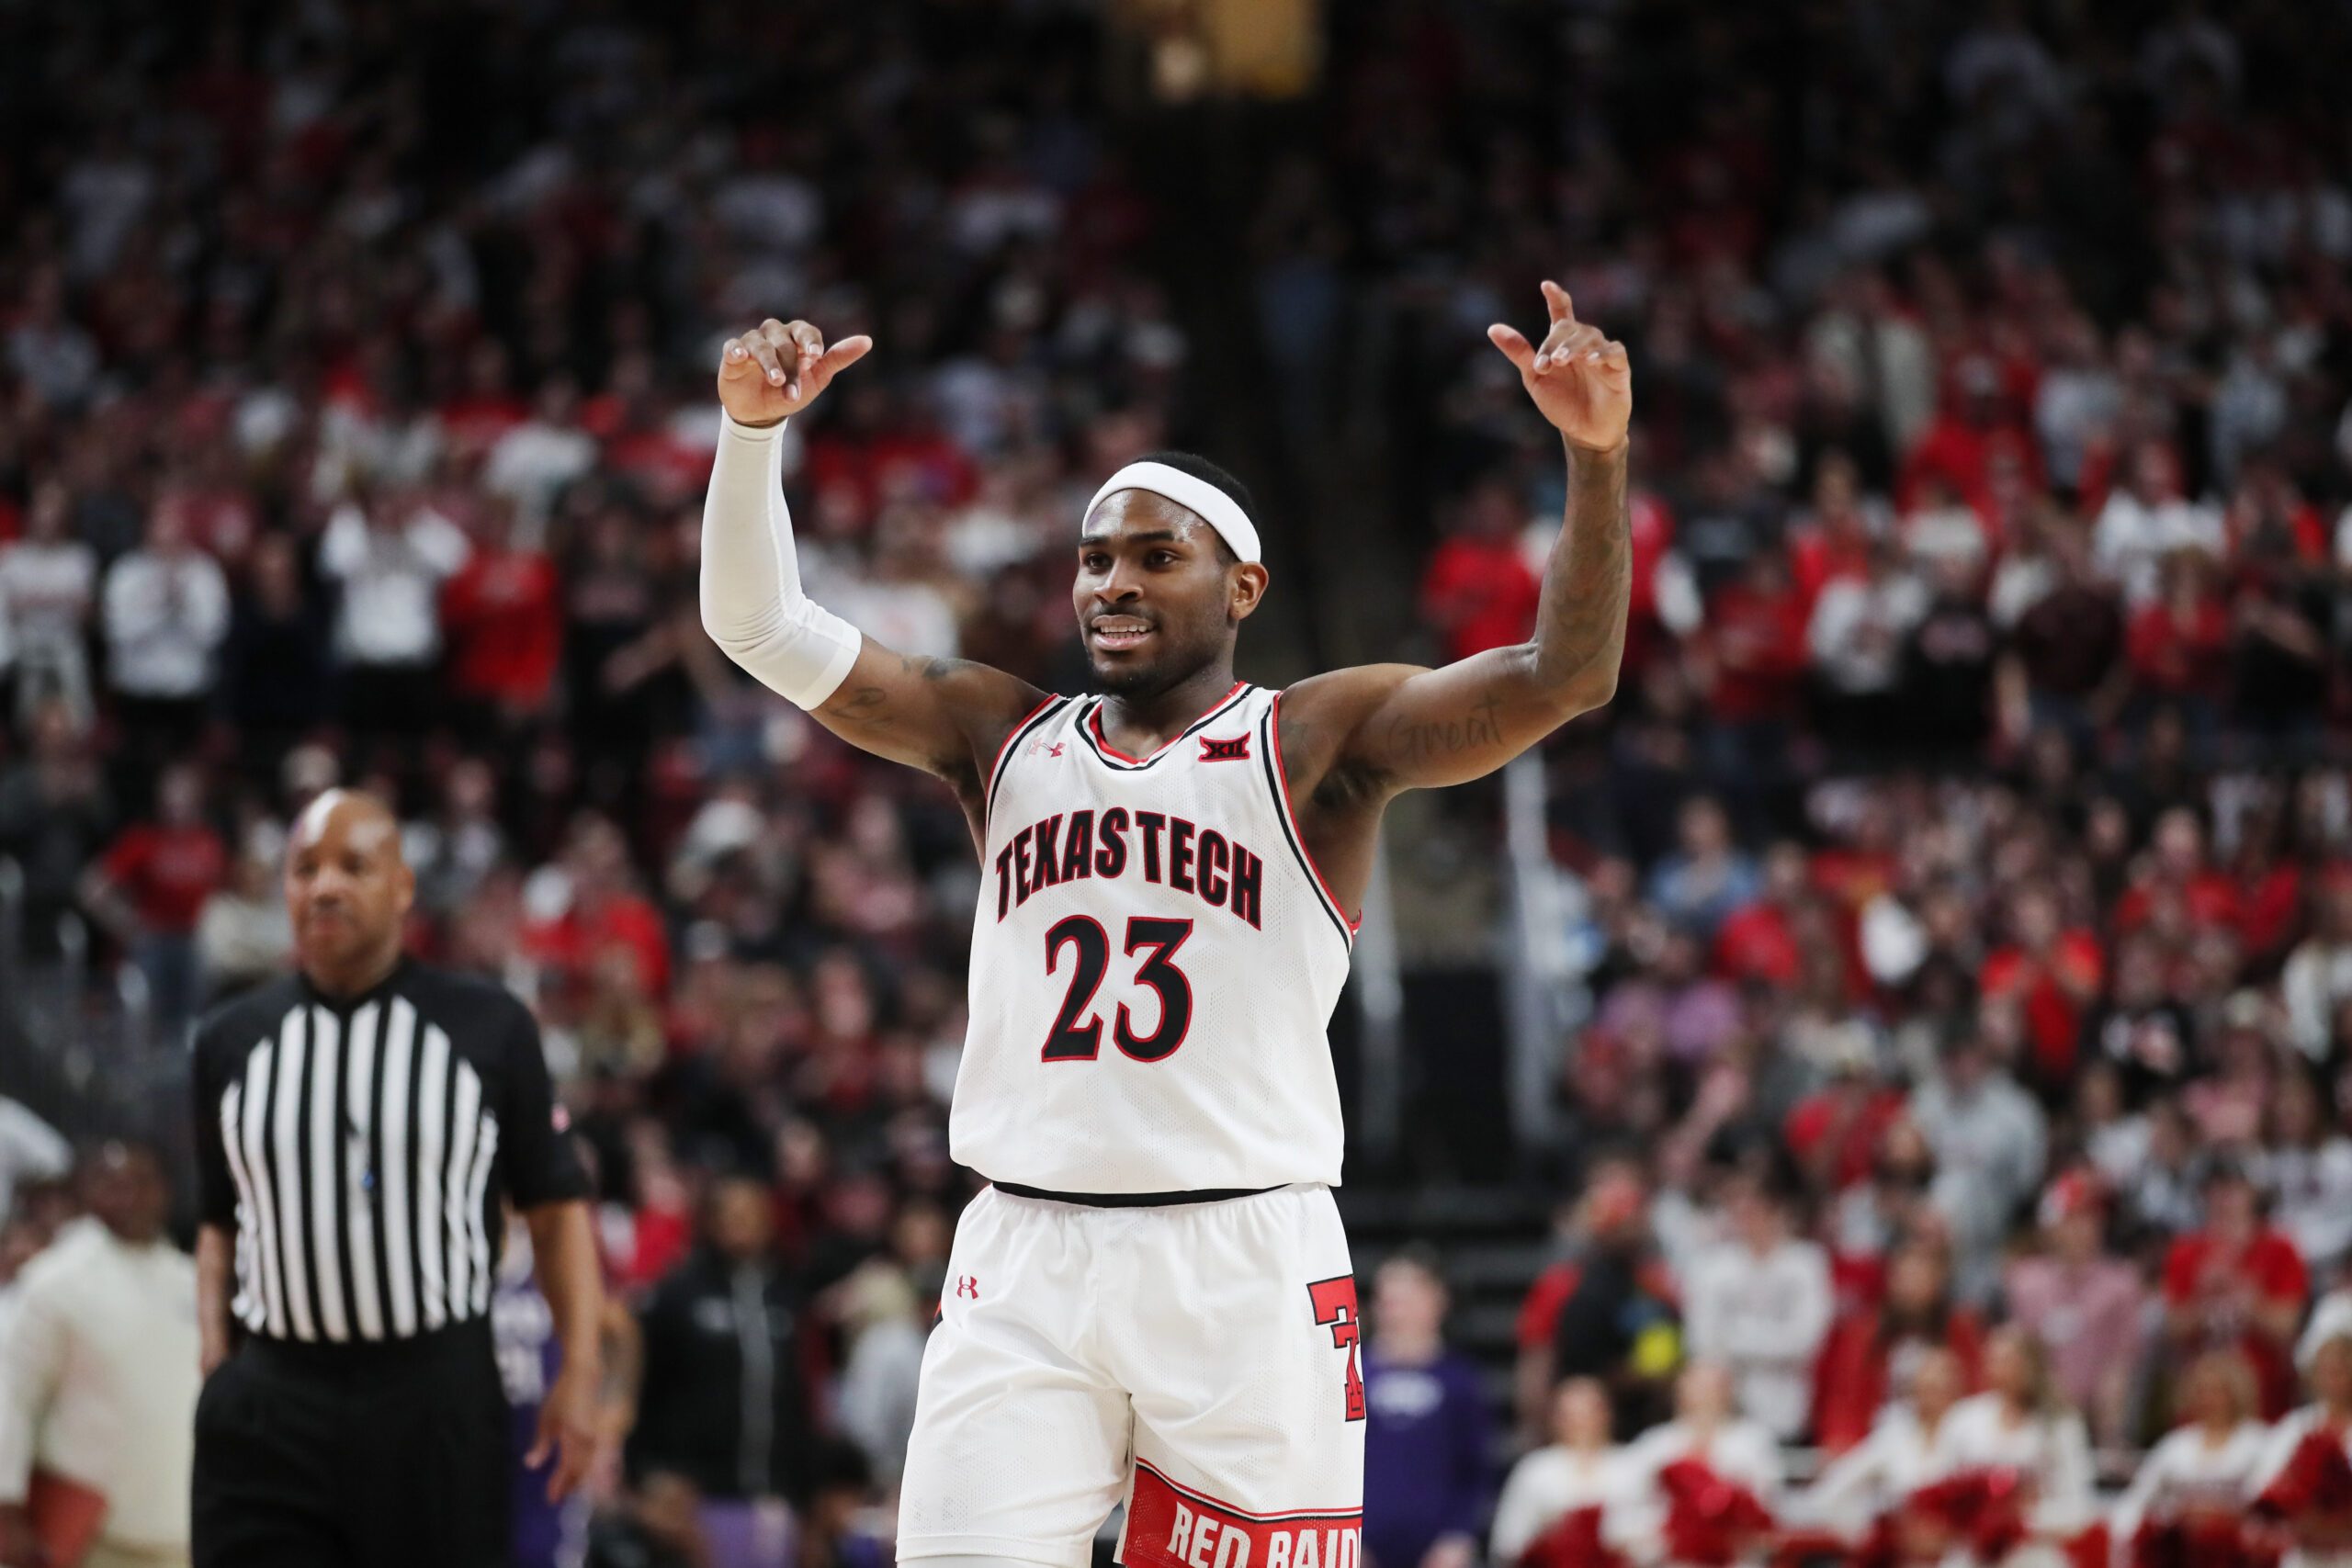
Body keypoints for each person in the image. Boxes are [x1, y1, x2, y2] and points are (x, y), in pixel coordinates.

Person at [698, 288, 1632, 1568]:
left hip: (1241, 1255)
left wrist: (1595, 454)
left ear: (1244, 583)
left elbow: (1563, 674)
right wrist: (750, 437)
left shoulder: (1313, 742)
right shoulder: (996, 732)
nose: (1114, 581)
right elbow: (757, 625)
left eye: (1154, 555)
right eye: (1095, 557)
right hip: (1024, 1248)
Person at [187, 788, 606, 1567]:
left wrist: (579, 1374)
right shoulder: (229, 1039)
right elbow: (218, 1218)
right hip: (271, 1398)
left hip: (433, 1394)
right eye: (304, 868)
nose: (325, 886)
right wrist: (216, 1358)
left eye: (354, 865)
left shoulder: (489, 1026)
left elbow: (555, 1209)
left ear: (403, 887)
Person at [0, 1142, 201, 1568]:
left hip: (178, 1531)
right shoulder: (56, 1281)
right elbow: (11, 1397)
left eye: (141, 1182)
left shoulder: (189, 1281)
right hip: (90, 1536)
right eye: (111, 1183)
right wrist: (5, 1507)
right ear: (87, 1193)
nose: (128, 1196)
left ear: (164, 1190)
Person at [628, 1174, 817, 1568]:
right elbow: (646, 1387)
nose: (741, 1224)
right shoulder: (679, 1294)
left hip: (773, 1497)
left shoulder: (787, 1297)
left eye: (752, 1214)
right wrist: (650, 1472)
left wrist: (806, 1494)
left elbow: (801, 1398)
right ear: (710, 1221)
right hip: (695, 1496)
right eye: (731, 1214)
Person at [1679, 1168, 1833, 1442]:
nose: (1746, 1220)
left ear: (1777, 1210)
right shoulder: (1713, 1267)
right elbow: (1701, 1341)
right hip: (1728, 1410)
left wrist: (1735, 1336)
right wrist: (1773, 1339)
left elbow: (1806, 1341)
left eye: (1754, 1209)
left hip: (1788, 1408)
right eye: (1738, 1210)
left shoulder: (1806, 1263)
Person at [1361, 1249, 1489, 1568]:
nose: (1395, 1310)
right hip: (1363, 1542)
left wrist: (1458, 1535)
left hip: (1437, 1547)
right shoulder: (1354, 1376)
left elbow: (1473, 1467)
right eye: (1388, 1299)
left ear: (1436, 1302)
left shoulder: (1458, 1380)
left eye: (1407, 1299)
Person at [1941, 1326, 2098, 1567]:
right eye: (1994, 1359)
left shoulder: (2060, 1425)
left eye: (2010, 1360)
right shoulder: (1964, 1418)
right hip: (1971, 1556)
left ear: (2033, 1366)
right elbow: (1942, 1492)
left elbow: (2078, 1511)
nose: (2000, 1368)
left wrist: (2021, 1520)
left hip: (2033, 1556)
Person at [2109, 1350, 2271, 1568]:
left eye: (2217, 1391)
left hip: (2238, 1556)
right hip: (2182, 1556)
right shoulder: (2176, 1444)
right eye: (2202, 1391)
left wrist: (2221, 1517)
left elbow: (2267, 1506)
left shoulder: (2257, 1442)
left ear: (2235, 1393)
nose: (2209, 1399)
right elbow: (2136, 1501)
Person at [1488, 1379, 1631, 1568]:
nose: (1581, 1422)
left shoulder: (1632, 1464)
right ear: (1555, 1419)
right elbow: (1509, 1542)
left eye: (1588, 1413)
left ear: (1607, 1414)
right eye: (1570, 1415)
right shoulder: (1535, 1469)